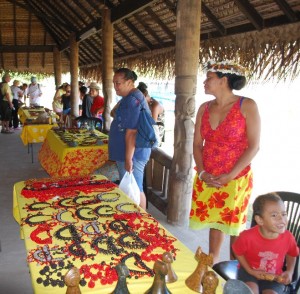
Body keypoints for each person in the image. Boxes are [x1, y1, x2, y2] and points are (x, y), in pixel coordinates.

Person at [189, 60, 261, 264]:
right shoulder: (204, 108)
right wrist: (202, 172)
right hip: (208, 176)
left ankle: (236, 271)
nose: (204, 82)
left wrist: (230, 175)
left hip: (236, 178)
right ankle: (212, 266)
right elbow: (196, 144)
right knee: (215, 223)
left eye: (209, 78)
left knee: (235, 226)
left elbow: (253, 146)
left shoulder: (246, 105)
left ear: (224, 80)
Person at [232, 193, 299, 294]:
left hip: (274, 277)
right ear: (260, 220)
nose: (281, 219)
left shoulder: (288, 238)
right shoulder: (247, 236)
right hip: (249, 272)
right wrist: (250, 270)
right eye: (274, 215)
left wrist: (290, 271)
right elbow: (237, 251)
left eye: (284, 214)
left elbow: (292, 253)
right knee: (250, 291)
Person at [109, 68, 152, 210]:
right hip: (128, 152)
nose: (115, 86)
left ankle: (142, 221)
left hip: (134, 154)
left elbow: (132, 133)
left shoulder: (134, 100)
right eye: (114, 83)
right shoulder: (128, 98)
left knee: (135, 187)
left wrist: (128, 159)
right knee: (132, 186)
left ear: (129, 82)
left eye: (118, 83)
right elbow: (114, 114)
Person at [137, 82, 165, 146]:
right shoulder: (144, 104)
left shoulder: (155, 106)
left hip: (156, 134)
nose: (138, 100)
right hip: (147, 131)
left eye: (140, 98)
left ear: (145, 94)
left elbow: (152, 126)